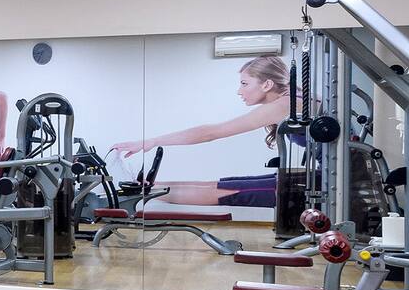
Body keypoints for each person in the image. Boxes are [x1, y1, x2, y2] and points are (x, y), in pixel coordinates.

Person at [107, 55, 289, 207]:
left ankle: (134, 189)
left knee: (230, 191)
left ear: (267, 84)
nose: (239, 91)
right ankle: (136, 187)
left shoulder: (285, 104)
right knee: (221, 184)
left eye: (244, 84)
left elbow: (210, 133)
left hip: (315, 181)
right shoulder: (291, 99)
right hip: (313, 176)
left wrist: (152, 141)